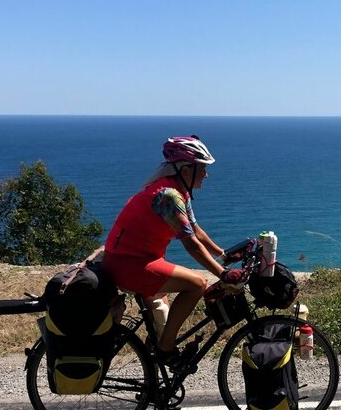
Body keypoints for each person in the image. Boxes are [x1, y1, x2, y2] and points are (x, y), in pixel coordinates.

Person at [101, 135, 245, 367]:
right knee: (196, 284)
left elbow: (195, 229)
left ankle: (156, 351)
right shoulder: (168, 196)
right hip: (129, 265)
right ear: (186, 170)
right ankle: (165, 348)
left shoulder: (179, 191)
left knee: (167, 310)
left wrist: (223, 254)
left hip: (136, 261)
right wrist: (223, 274)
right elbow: (191, 244)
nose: (206, 174)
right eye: (202, 168)